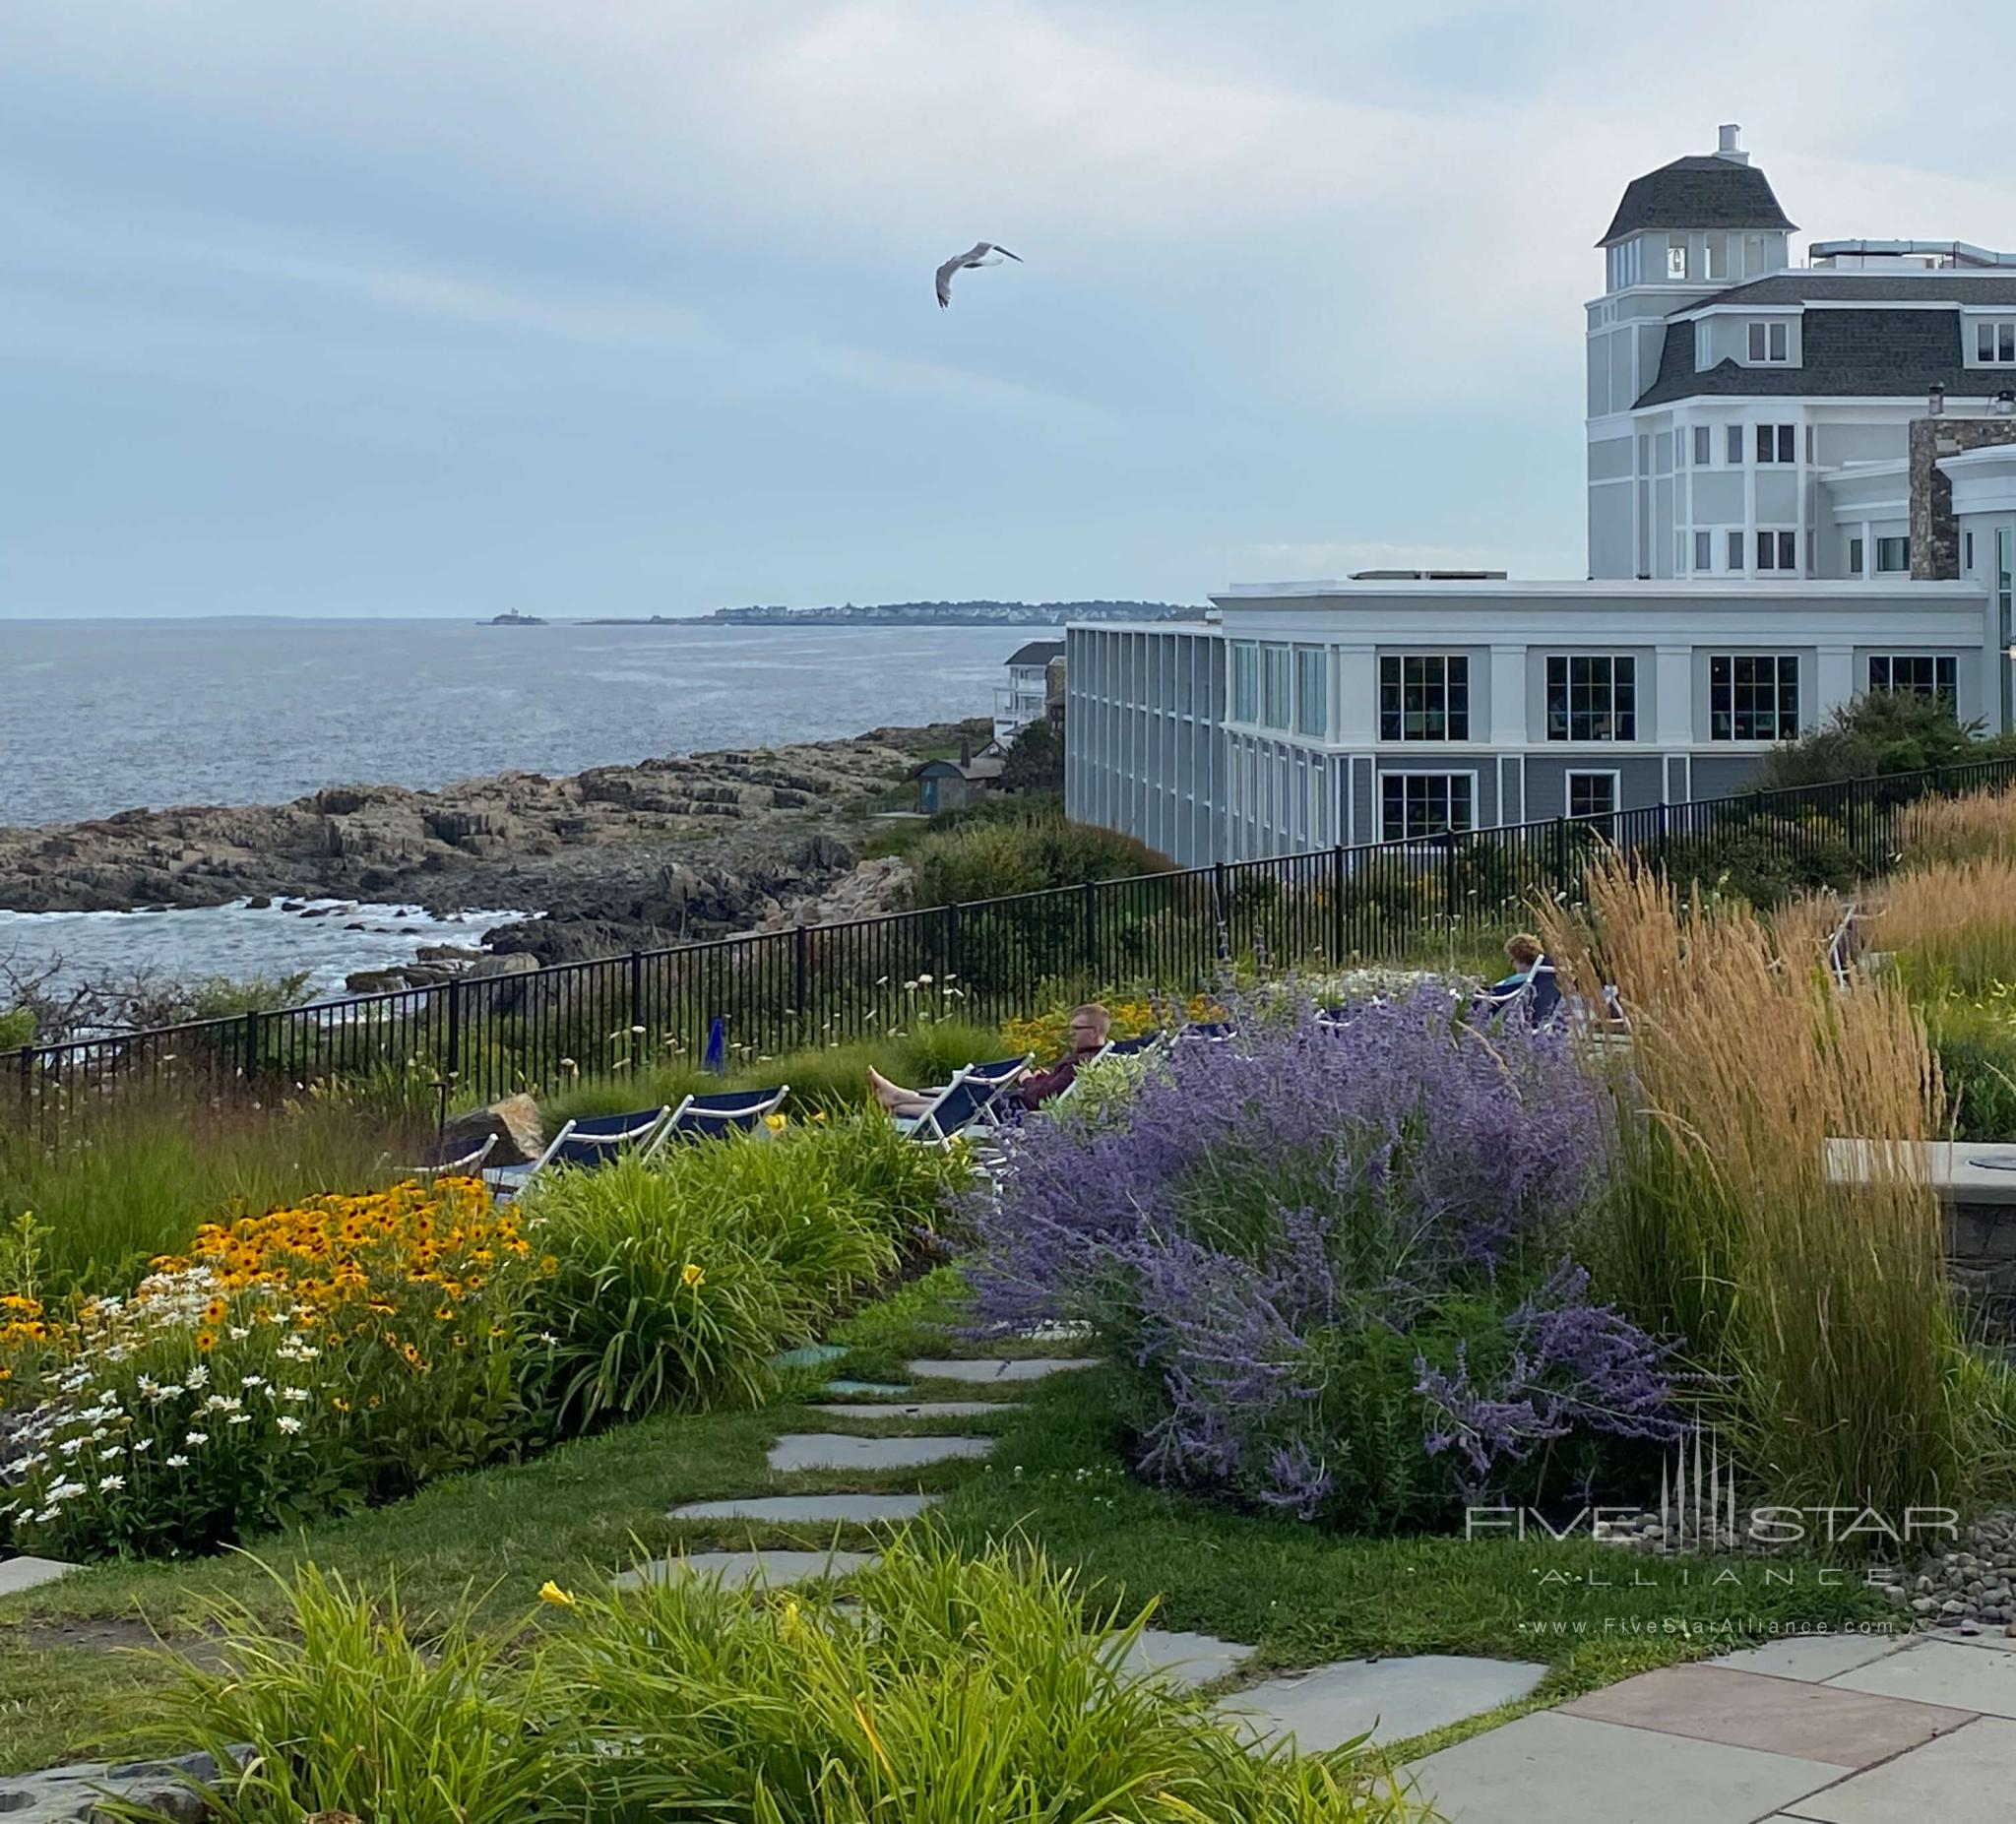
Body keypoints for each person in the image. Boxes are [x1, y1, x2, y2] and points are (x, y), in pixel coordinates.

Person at [868, 1002, 1112, 1118]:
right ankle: (900, 1097)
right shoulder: (1094, 1059)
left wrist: (1027, 1080)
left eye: (1076, 1029)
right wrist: (1043, 1078)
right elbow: (1054, 1089)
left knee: (973, 1100)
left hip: (1020, 1112)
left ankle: (897, 1105)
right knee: (973, 1096)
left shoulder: (1081, 1063)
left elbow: (1041, 1099)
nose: (1071, 1033)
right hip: (1020, 1106)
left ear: (1094, 1032)